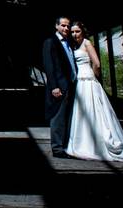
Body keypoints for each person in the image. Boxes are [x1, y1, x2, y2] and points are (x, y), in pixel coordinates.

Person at [65, 22, 123, 161]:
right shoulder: (75, 45)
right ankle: (83, 143)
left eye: (77, 31)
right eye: (72, 32)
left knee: (94, 110)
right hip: (80, 81)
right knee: (82, 111)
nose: (74, 34)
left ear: (83, 32)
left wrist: (93, 75)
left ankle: (97, 145)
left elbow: (97, 63)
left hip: (88, 80)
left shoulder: (87, 43)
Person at [42, 16, 77, 158]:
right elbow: (49, 66)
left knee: (68, 117)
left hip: (71, 85)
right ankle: (57, 149)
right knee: (58, 118)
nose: (66, 28)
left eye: (68, 26)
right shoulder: (50, 42)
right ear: (56, 26)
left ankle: (66, 145)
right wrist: (54, 87)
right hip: (60, 87)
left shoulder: (68, 42)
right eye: (63, 25)